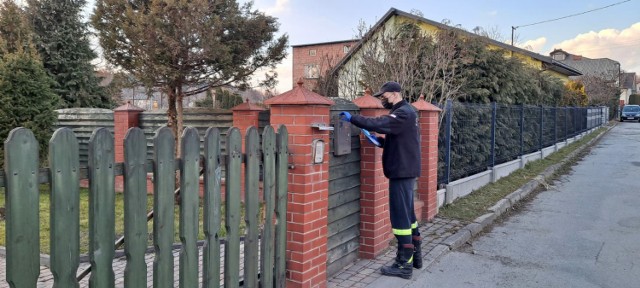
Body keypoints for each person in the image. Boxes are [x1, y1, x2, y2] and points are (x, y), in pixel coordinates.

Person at [339, 81, 422, 280]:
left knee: (400, 218)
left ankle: (404, 265)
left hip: (401, 172)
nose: (382, 99)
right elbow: (402, 140)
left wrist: (354, 119)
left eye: (384, 96)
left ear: (394, 93)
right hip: (405, 170)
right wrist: (381, 142)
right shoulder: (408, 112)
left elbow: (380, 123)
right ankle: (416, 258)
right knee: (409, 216)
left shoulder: (403, 113)